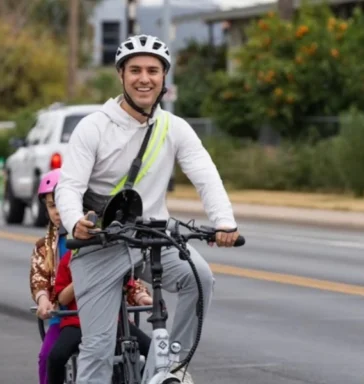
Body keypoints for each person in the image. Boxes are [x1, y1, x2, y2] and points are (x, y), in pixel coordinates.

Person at [54, 34, 240, 384]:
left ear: (164, 78)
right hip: (100, 242)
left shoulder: (174, 127)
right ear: (121, 75)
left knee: (199, 278)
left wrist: (223, 222)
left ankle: (166, 369)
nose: (145, 78)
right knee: (96, 350)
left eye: (153, 70)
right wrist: (75, 222)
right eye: (135, 69)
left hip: (153, 236)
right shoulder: (93, 127)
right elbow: (70, 186)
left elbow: (205, 175)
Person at [46, 248, 153, 384]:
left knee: (152, 351)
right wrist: (86, 275)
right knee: (56, 356)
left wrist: (142, 297)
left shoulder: (114, 255)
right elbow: (62, 299)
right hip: (78, 322)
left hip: (114, 321)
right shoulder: (71, 258)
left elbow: (131, 285)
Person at [29, 168, 69, 384]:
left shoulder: (96, 237)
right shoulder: (44, 247)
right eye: (52, 205)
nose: (57, 211)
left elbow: (127, 277)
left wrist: (140, 296)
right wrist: (43, 300)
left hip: (103, 315)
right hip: (62, 319)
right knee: (47, 357)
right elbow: (39, 279)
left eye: (62, 203)